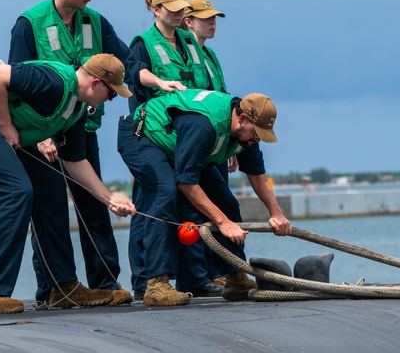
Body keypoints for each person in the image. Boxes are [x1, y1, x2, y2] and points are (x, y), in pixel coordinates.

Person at [0, 54, 136, 314]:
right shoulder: (54, 81)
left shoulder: (77, 109)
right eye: (111, 94)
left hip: (3, 127)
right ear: (95, 84)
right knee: (16, 192)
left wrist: (109, 199)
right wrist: (5, 124)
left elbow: (75, 161)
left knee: (52, 189)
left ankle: (61, 287)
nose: (109, 101)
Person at [7, 0, 138, 307]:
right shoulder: (30, 23)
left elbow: (127, 62)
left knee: (93, 203)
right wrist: (44, 136)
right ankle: (53, 288)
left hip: (82, 126)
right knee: (48, 208)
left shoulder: (95, 21)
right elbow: (17, 81)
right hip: (40, 132)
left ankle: (105, 282)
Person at [117, 89, 292, 306]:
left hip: (176, 145)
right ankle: (156, 284)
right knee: (165, 192)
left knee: (226, 202)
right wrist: (222, 222)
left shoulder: (246, 135)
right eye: (256, 133)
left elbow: (257, 175)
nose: (257, 139)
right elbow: (186, 183)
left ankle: (235, 278)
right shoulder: (203, 124)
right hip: (143, 136)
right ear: (243, 119)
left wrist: (276, 213)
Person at [124, 0, 210, 299]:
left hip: (185, 136)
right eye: (171, 9)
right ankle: (145, 281)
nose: (178, 14)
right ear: (156, 9)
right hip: (154, 133)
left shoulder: (189, 41)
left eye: (181, 9)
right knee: (151, 204)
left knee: (189, 204)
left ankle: (194, 277)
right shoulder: (143, 43)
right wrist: (160, 81)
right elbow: (135, 74)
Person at [182, 0, 235, 286]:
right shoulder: (185, 54)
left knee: (221, 202)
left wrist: (232, 145)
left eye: (214, 18)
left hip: (216, 143)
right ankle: (198, 274)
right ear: (188, 21)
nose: (213, 23)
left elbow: (224, 99)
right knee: (196, 207)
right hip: (196, 142)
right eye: (206, 18)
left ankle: (219, 271)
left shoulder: (210, 55)